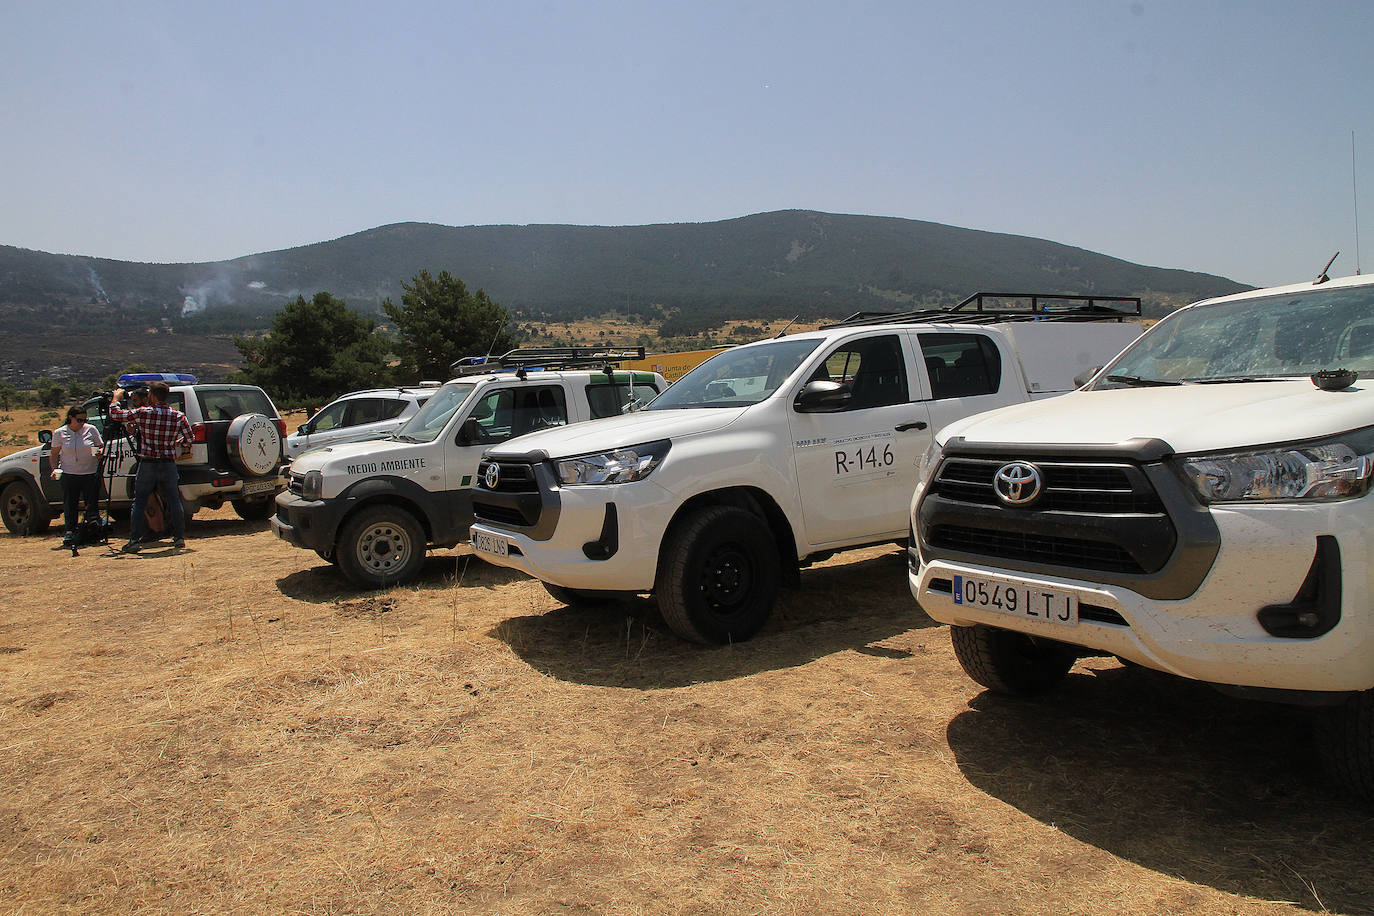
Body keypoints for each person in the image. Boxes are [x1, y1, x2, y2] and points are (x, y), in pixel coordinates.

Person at [107, 381, 193, 552]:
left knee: (139, 501)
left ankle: (134, 539)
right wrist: (175, 443)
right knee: (174, 500)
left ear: (152, 396)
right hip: (168, 463)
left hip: (148, 462)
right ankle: (178, 537)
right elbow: (189, 438)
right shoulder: (178, 416)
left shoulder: (144, 413)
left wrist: (116, 398)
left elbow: (116, 415)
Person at [50, 404, 105, 547]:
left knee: (91, 503)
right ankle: (70, 530)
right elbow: (54, 453)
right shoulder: (59, 433)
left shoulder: (91, 430)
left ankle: (93, 528)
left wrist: (99, 453)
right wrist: (54, 469)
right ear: (70, 418)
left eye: (84, 420)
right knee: (70, 504)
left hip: (89, 473)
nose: (83, 423)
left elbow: (100, 446)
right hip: (69, 474)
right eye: (80, 420)